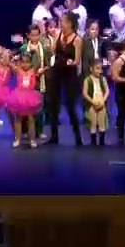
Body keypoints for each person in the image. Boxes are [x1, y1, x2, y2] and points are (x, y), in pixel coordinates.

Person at [47, 11, 84, 146]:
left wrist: (71, 62)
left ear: (69, 23)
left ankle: (78, 137)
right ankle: (54, 136)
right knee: (53, 104)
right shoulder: (59, 34)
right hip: (57, 71)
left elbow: (77, 60)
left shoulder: (77, 39)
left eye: (62, 21)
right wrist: (53, 39)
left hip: (69, 73)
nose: (60, 23)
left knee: (70, 105)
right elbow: (52, 51)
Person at [5, 53, 44, 148]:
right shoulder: (18, 70)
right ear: (19, 63)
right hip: (19, 97)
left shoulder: (33, 70)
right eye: (23, 62)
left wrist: (36, 52)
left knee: (31, 119)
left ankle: (32, 140)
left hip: (30, 97)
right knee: (18, 119)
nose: (25, 65)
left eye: (27, 62)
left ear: (31, 63)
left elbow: (39, 62)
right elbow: (8, 63)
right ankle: (17, 139)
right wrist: (8, 55)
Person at [82, 60, 111, 146]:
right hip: (92, 104)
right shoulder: (87, 80)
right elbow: (85, 93)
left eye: (101, 69)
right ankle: (93, 141)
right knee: (93, 123)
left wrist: (103, 100)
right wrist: (92, 102)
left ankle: (102, 141)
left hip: (101, 102)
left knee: (102, 122)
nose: (99, 71)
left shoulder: (103, 79)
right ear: (91, 69)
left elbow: (107, 90)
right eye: (97, 68)